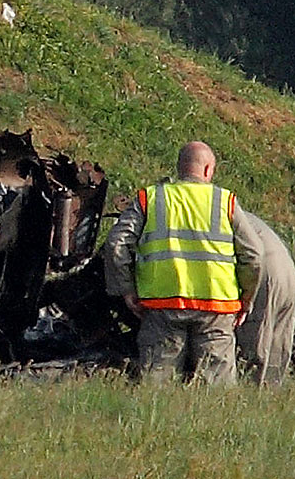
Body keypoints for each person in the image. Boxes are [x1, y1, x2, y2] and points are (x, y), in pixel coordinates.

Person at [104, 141, 264, 384]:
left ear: (180, 168)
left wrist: (126, 289)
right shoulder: (225, 201)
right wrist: (246, 299)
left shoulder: (151, 198)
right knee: (216, 390)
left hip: (162, 305)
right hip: (217, 308)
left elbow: (116, 243)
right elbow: (254, 256)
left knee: (157, 387)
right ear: (208, 169)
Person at [235, 212, 295, 386]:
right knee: (277, 348)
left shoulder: (225, 213)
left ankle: (248, 395)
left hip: (264, 272)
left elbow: (251, 255)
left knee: (252, 346)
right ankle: (270, 396)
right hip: (288, 274)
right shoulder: (242, 214)